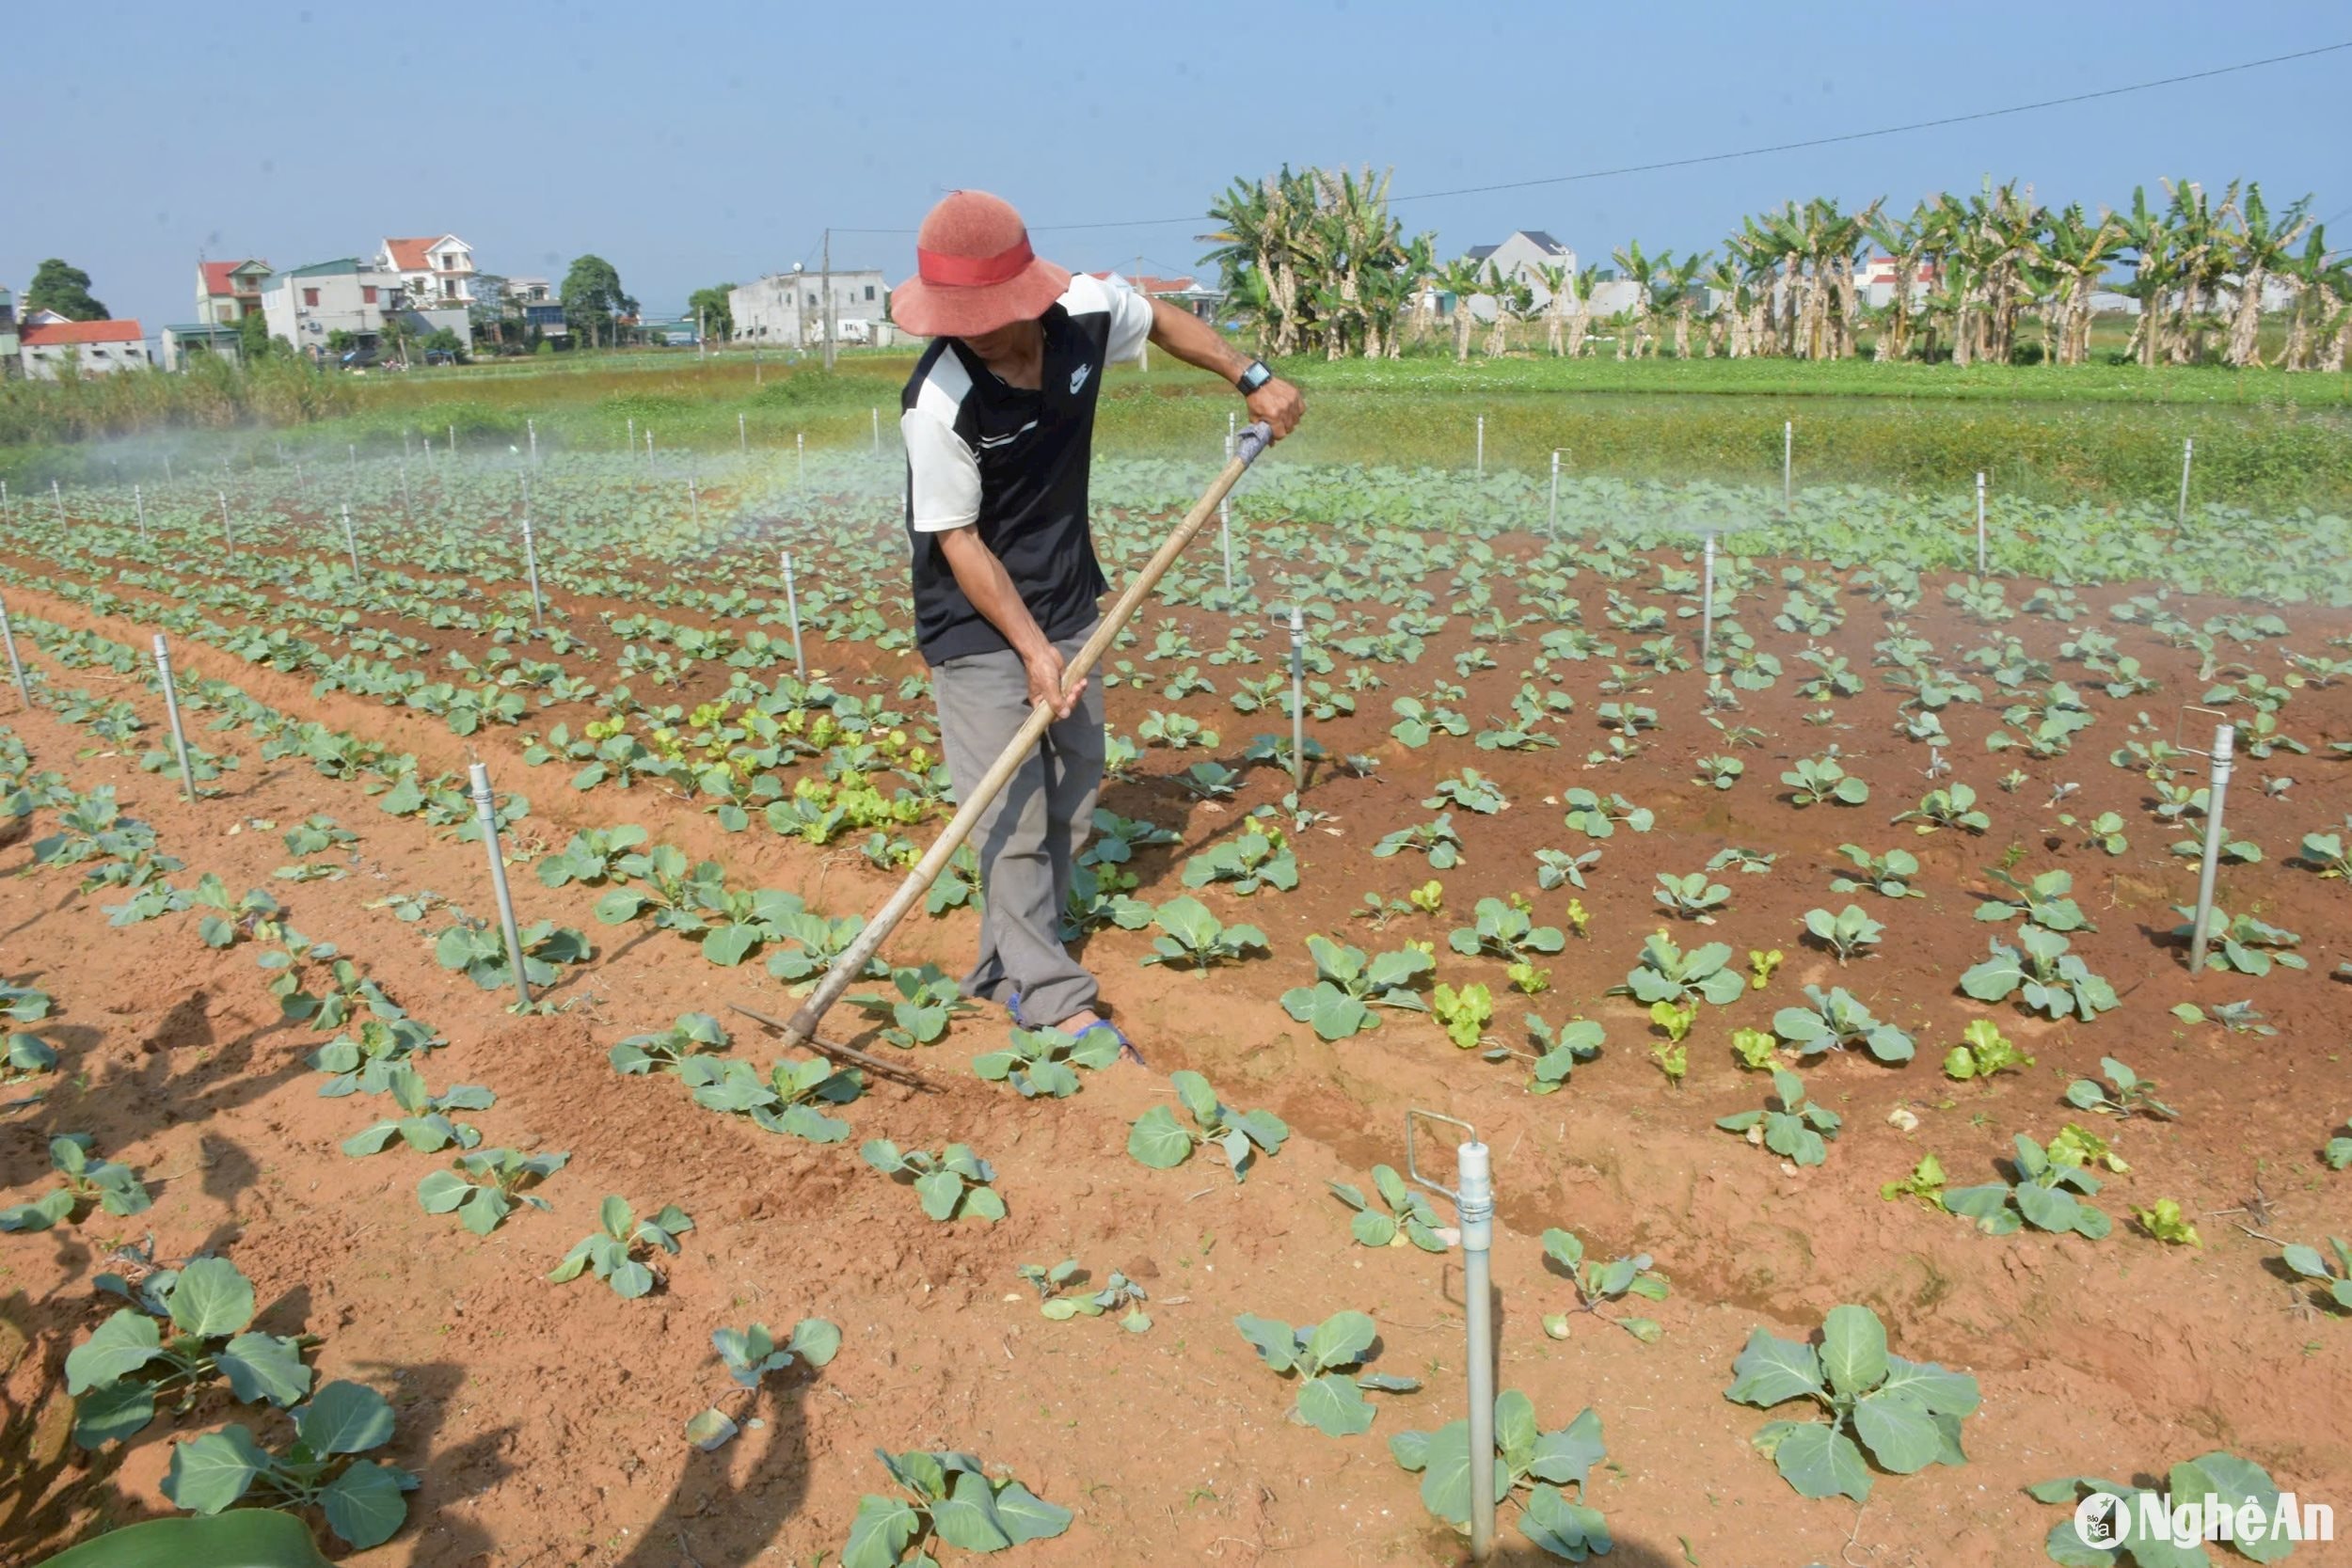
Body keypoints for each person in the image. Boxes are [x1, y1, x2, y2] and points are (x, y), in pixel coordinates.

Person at [891, 189, 1303, 1057]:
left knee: (1075, 787)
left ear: (1022, 296)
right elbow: (958, 541)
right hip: (975, 621)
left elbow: (1158, 319)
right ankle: (1049, 994)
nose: (967, 331)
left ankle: (1005, 965)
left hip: (1068, 594)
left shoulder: (1080, 311)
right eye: (952, 317)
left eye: (982, 314)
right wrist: (1032, 651)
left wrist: (1249, 375)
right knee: (1009, 805)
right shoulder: (939, 400)